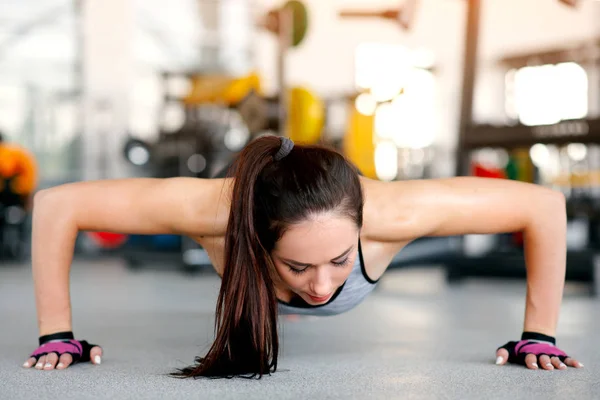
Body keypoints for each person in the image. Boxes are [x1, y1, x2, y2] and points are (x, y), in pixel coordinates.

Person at [22, 135, 583, 378]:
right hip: (242, 197)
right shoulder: (210, 213)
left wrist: (539, 334)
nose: (321, 287)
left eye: (340, 261)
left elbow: (543, 207)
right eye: (295, 267)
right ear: (256, 242)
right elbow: (54, 206)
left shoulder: (398, 212)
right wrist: (57, 334)